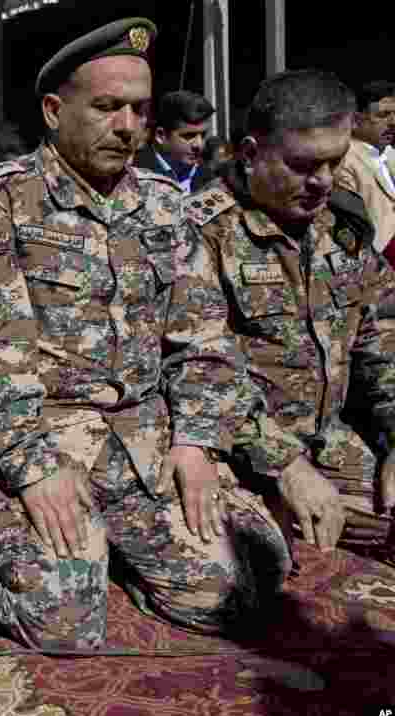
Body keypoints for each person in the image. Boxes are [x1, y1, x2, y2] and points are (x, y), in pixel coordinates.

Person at [0, 18, 290, 651]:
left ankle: (124, 552)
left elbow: (205, 339)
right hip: (48, 443)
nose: (128, 127)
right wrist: (32, 468)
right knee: (66, 625)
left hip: (148, 441)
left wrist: (197, 444)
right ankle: (49, 546)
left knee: (247, 580)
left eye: (138, 109)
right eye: (107, 108)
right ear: (54, 110)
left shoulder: (163, 203)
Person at [187, 69, 395, 565]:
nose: (322, 181)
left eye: (334, 162)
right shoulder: (200, 233)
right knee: (252, 569)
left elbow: (379, 337)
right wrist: (284, 465)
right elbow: (197, 370)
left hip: (331, 443)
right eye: (303, 165)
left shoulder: (340, 225)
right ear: (252, 153)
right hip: (239, 455)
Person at [335, 80, 395, 260]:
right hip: (378, 263)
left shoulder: (391, 154)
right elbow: (351, 226)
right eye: (384, 115)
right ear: (356, 120)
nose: (393, 122)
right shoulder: (342, 161)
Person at [133, 90, 215, 192]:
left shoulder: (209, 177)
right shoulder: (131, 175)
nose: (198, 144)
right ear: (160, 135)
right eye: (189, 136)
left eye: (203, 135)